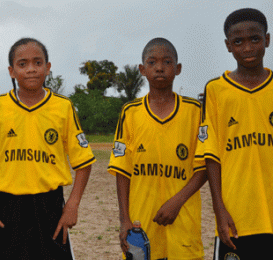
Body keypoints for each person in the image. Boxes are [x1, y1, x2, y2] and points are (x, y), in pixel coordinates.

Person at [0, 37, 95, 260]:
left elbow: (84, 161)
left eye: (38, 62)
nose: (31, 69)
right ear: (11, 71)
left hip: (51, 207)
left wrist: (72, 204)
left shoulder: (63, 107)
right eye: (22, 64)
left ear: (48, 68)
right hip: (9, 208)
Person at [108, 38, 205, 259]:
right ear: (142, 69)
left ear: (177, 69)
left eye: (167, 62)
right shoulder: (130, 113)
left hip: (183, 219)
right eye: (152, 62)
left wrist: (177, 201)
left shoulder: (194, 112)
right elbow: (122, 171)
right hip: (141, 222)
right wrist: (124, 219)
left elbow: (205, 166)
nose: (159, 68)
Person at [196, 8, 273, 259]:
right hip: (237, 216)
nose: (248, 47)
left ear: (267, 40)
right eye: (238, 41)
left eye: (255, 39)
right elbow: (211, 155)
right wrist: (219, 209)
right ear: (229, 46)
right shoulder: (216, 90)